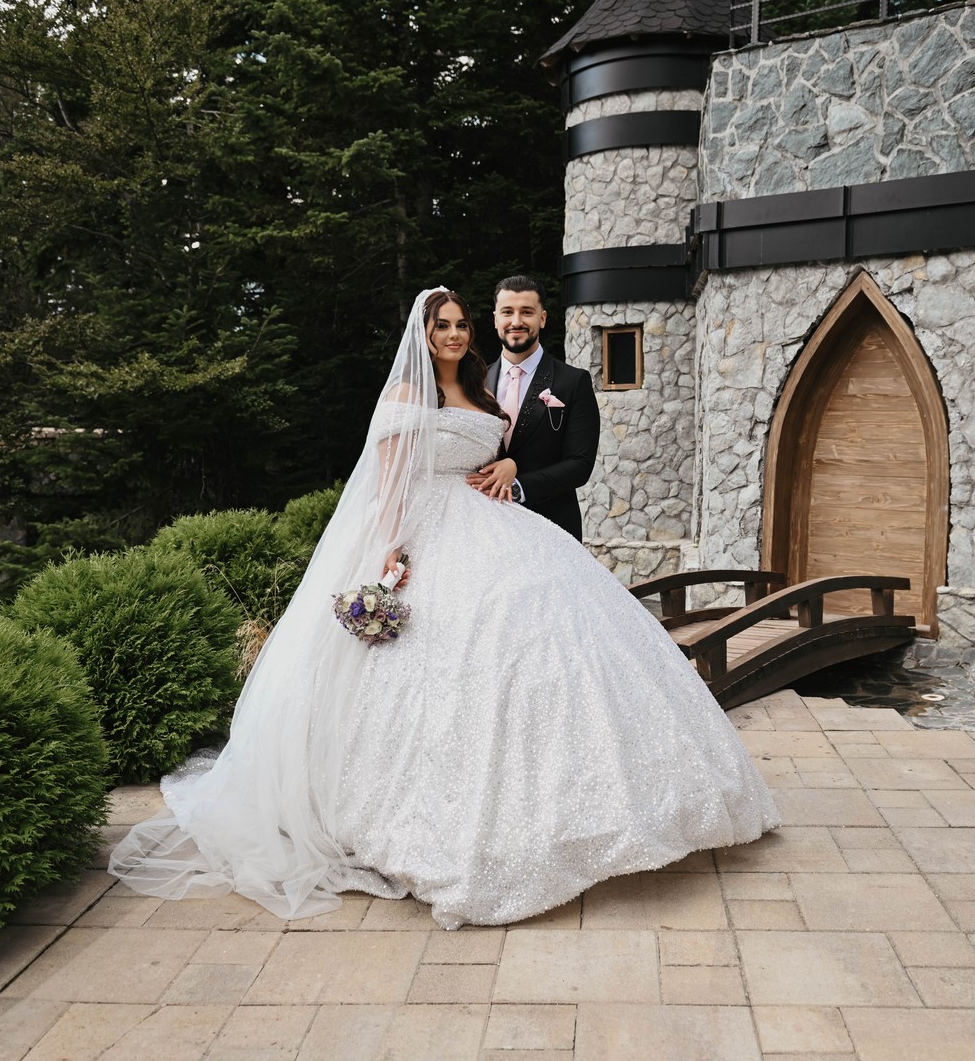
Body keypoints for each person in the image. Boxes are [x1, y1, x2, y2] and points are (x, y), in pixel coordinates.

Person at [109, 288, 779, 929]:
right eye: (442, 326)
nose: (454, 334)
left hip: (496, 525)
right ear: (423, 335)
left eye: (461, 324)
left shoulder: (482, 392)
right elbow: (391, 482)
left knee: (546, 645)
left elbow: (519, 458)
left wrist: (511, 469)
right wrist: (392, 556)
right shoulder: (407, 394)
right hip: (427, 533)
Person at [468, 275, 598, 540]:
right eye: (507, 312)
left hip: (552, 528)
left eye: (527, 312)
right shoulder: (474, 384)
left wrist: (518, 484)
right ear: (495, 319)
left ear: (543, 318)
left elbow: (580, 464)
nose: (516, 321)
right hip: (487, 530)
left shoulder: (573, 381)